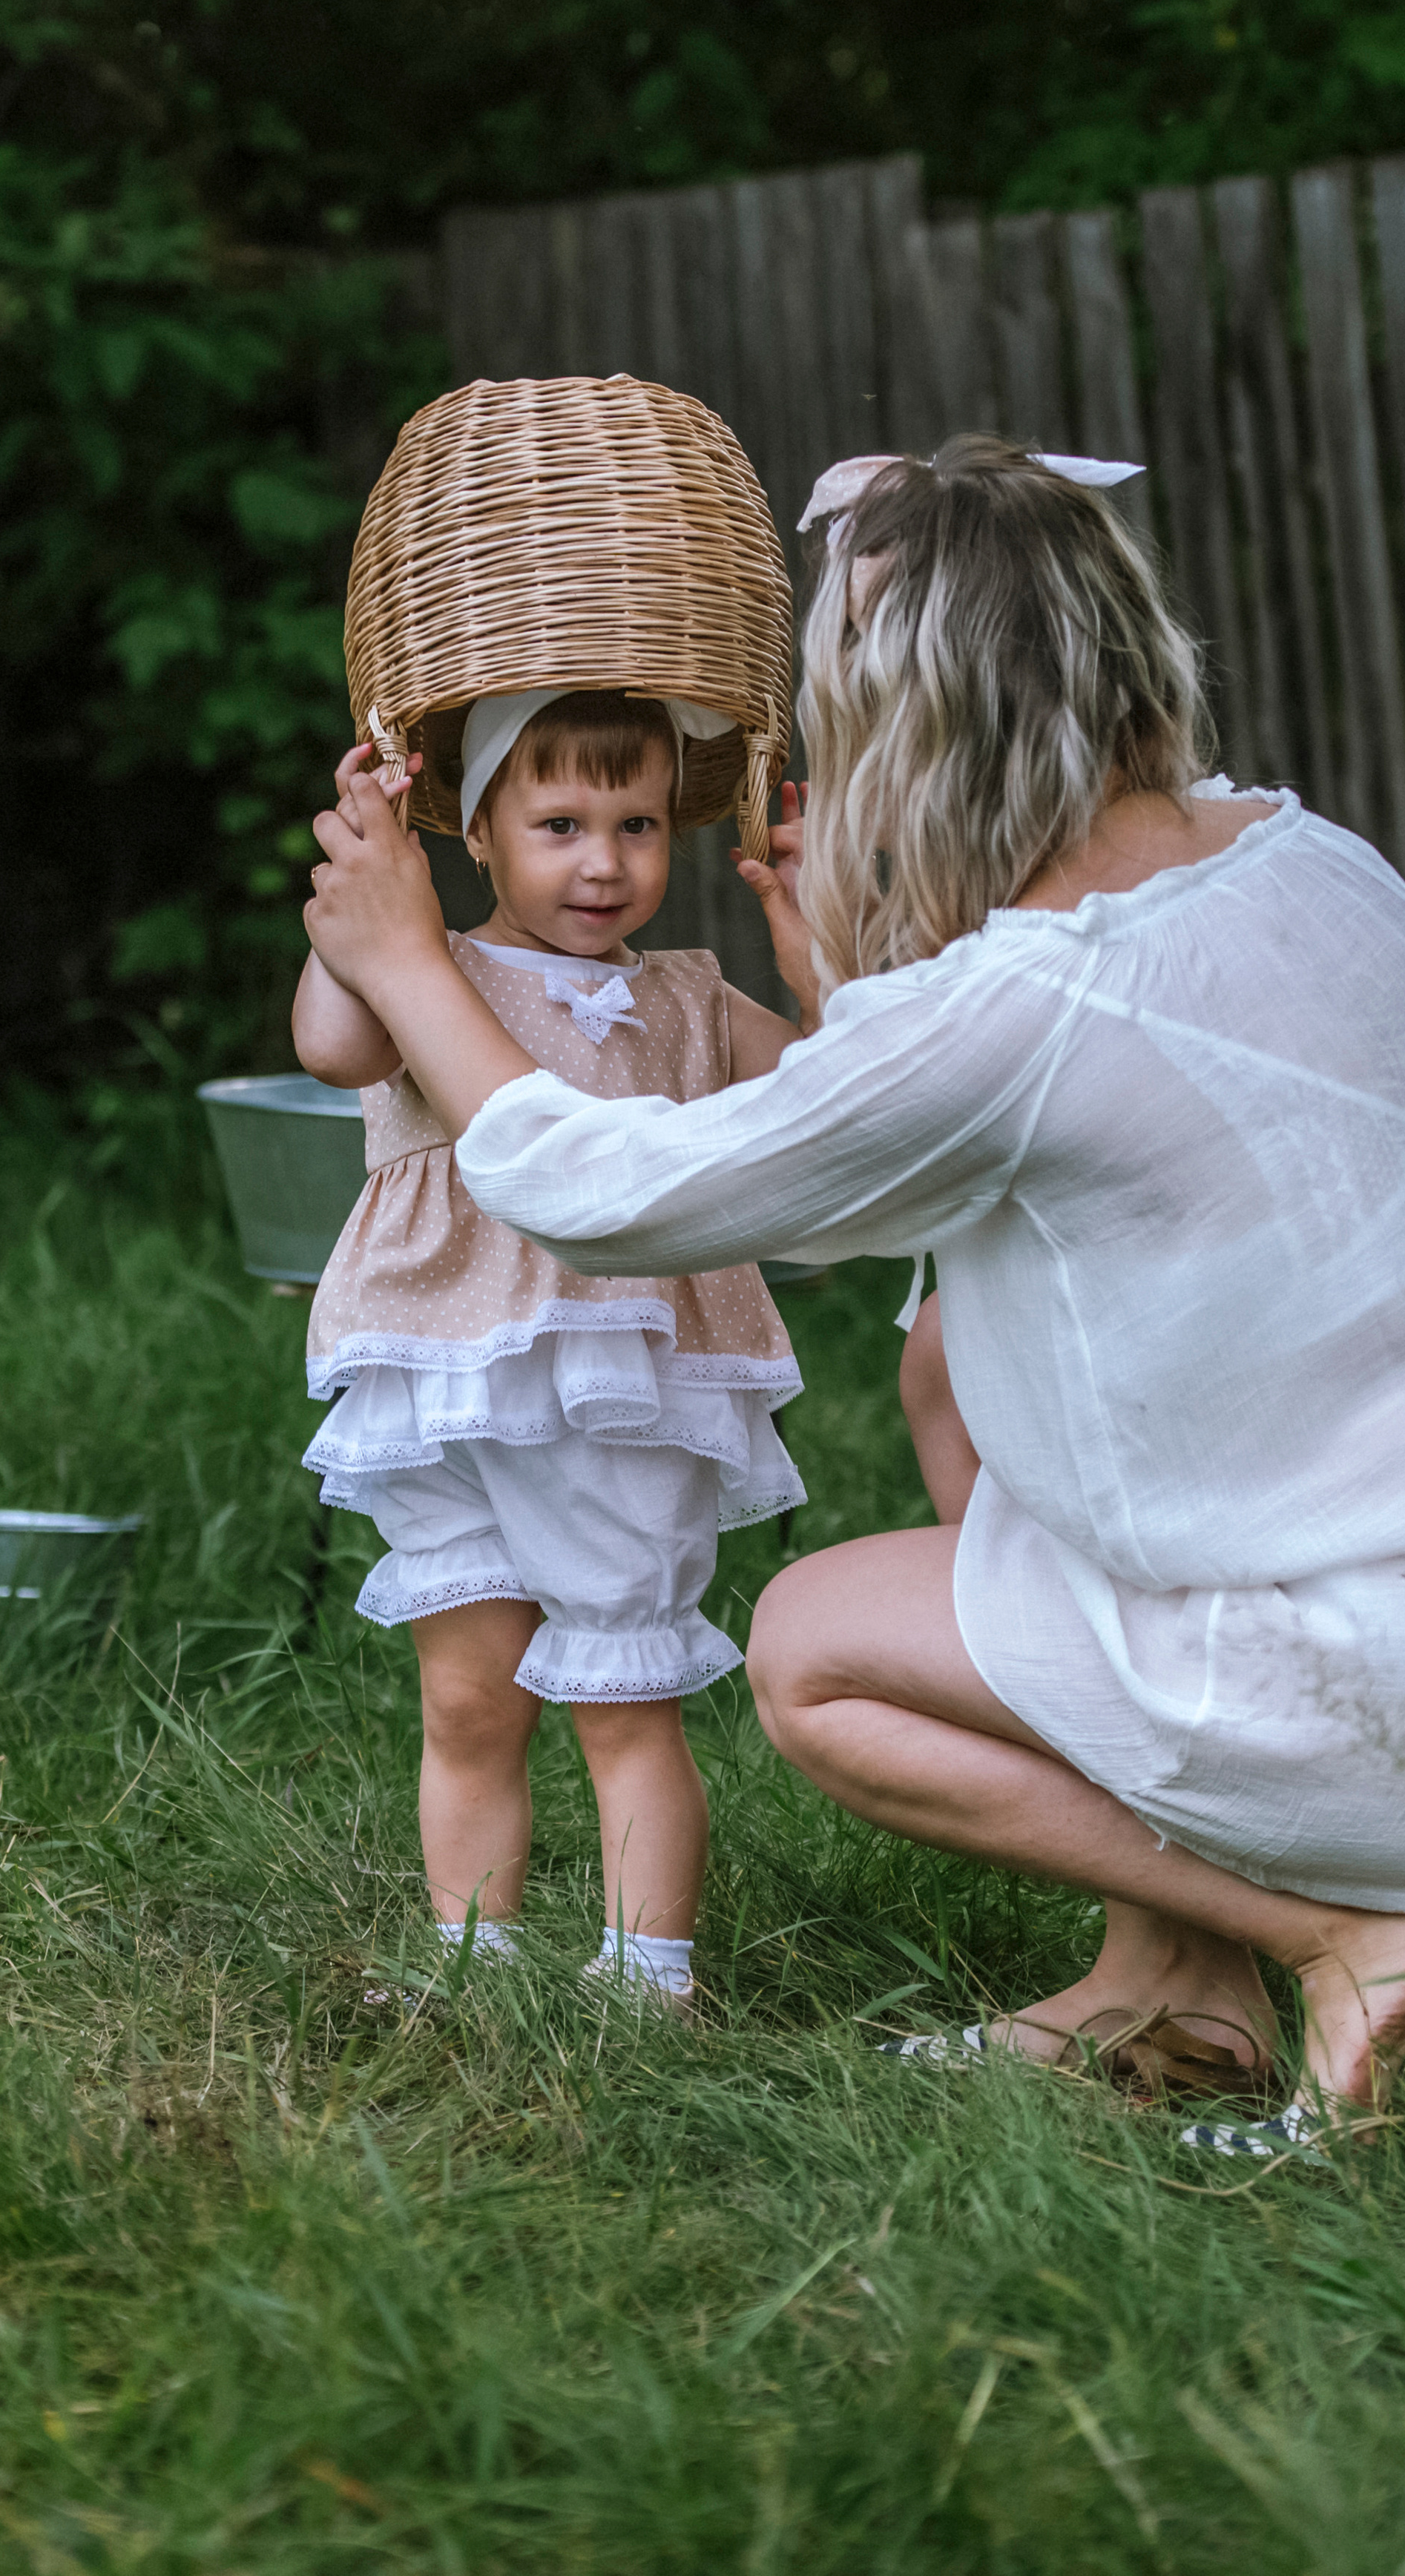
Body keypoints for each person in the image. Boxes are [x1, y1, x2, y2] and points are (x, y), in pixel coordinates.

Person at [301, 435, 1405, 2132]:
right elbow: (953, 1167)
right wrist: (854, 996)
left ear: (908, 724)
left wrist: (399, 954)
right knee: (941, 1375)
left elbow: (605, 1197)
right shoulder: (1300, 850)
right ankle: (1169, 1982)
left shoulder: (1013, 1005)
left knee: (810, 1650)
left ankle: (1343, 1928)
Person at [295, 688, 806, 2009]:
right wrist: (368, 880)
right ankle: (480, 1962)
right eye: (561, 822)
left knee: (621, 1691)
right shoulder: (433, 973)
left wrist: (814, 942)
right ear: (474, 834)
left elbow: (825, 1082)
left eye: (636, 824)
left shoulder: (689, 998)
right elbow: (331, 1042)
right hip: (444, 1374)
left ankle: (649, 1979)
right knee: (468, 1703)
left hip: (614, 1388)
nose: (605, 861)